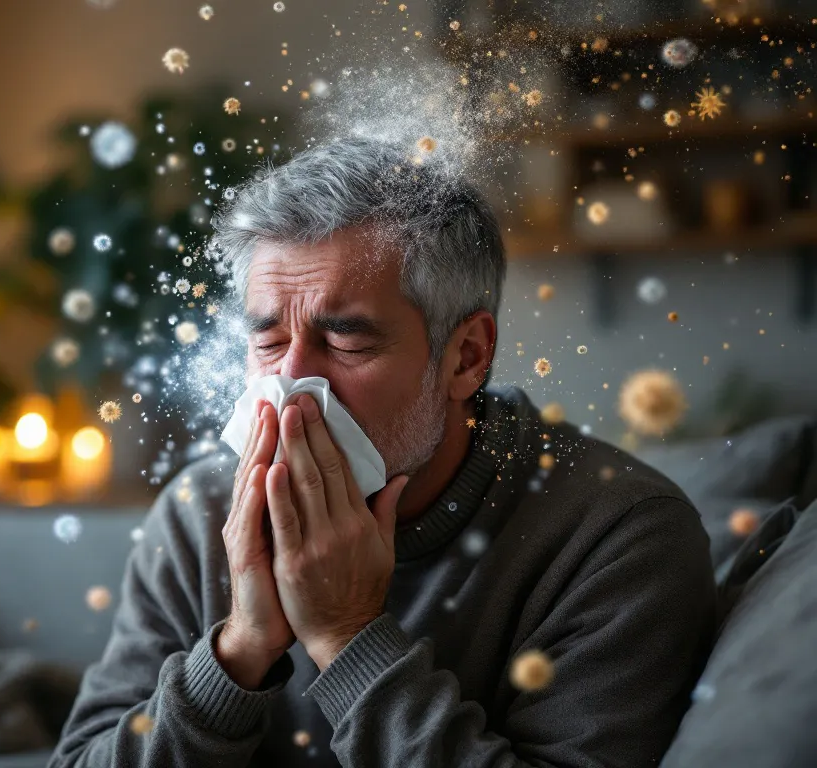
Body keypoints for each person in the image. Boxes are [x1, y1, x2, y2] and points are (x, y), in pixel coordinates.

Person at [49, 137, 716, 767]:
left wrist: (347, 636)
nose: (290, 388)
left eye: (346, 342)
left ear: (467, 358)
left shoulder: (620, 534)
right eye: (269, 341)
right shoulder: (201, 513)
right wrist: (239, 651)